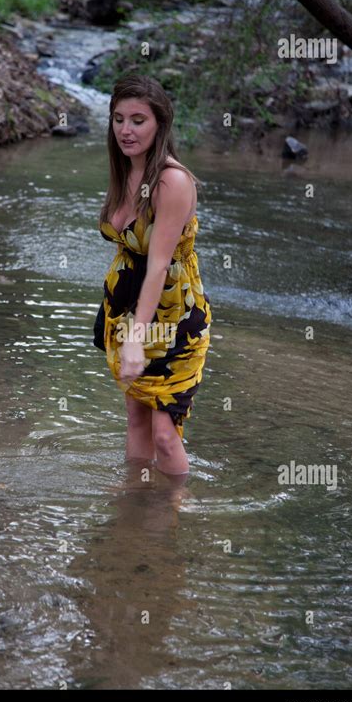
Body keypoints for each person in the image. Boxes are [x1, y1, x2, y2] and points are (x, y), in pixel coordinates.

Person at [96, 74, 212, 476]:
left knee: (165, 433)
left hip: (173, 317)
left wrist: (136, 339)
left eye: (138, 120)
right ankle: (134, 505)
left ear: (159, 124)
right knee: (135, 418)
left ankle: (178, 517)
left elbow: (159, 264)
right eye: (118, 119)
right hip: (129, 306)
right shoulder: (125, 170)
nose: (126, 130)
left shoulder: (172, 180)